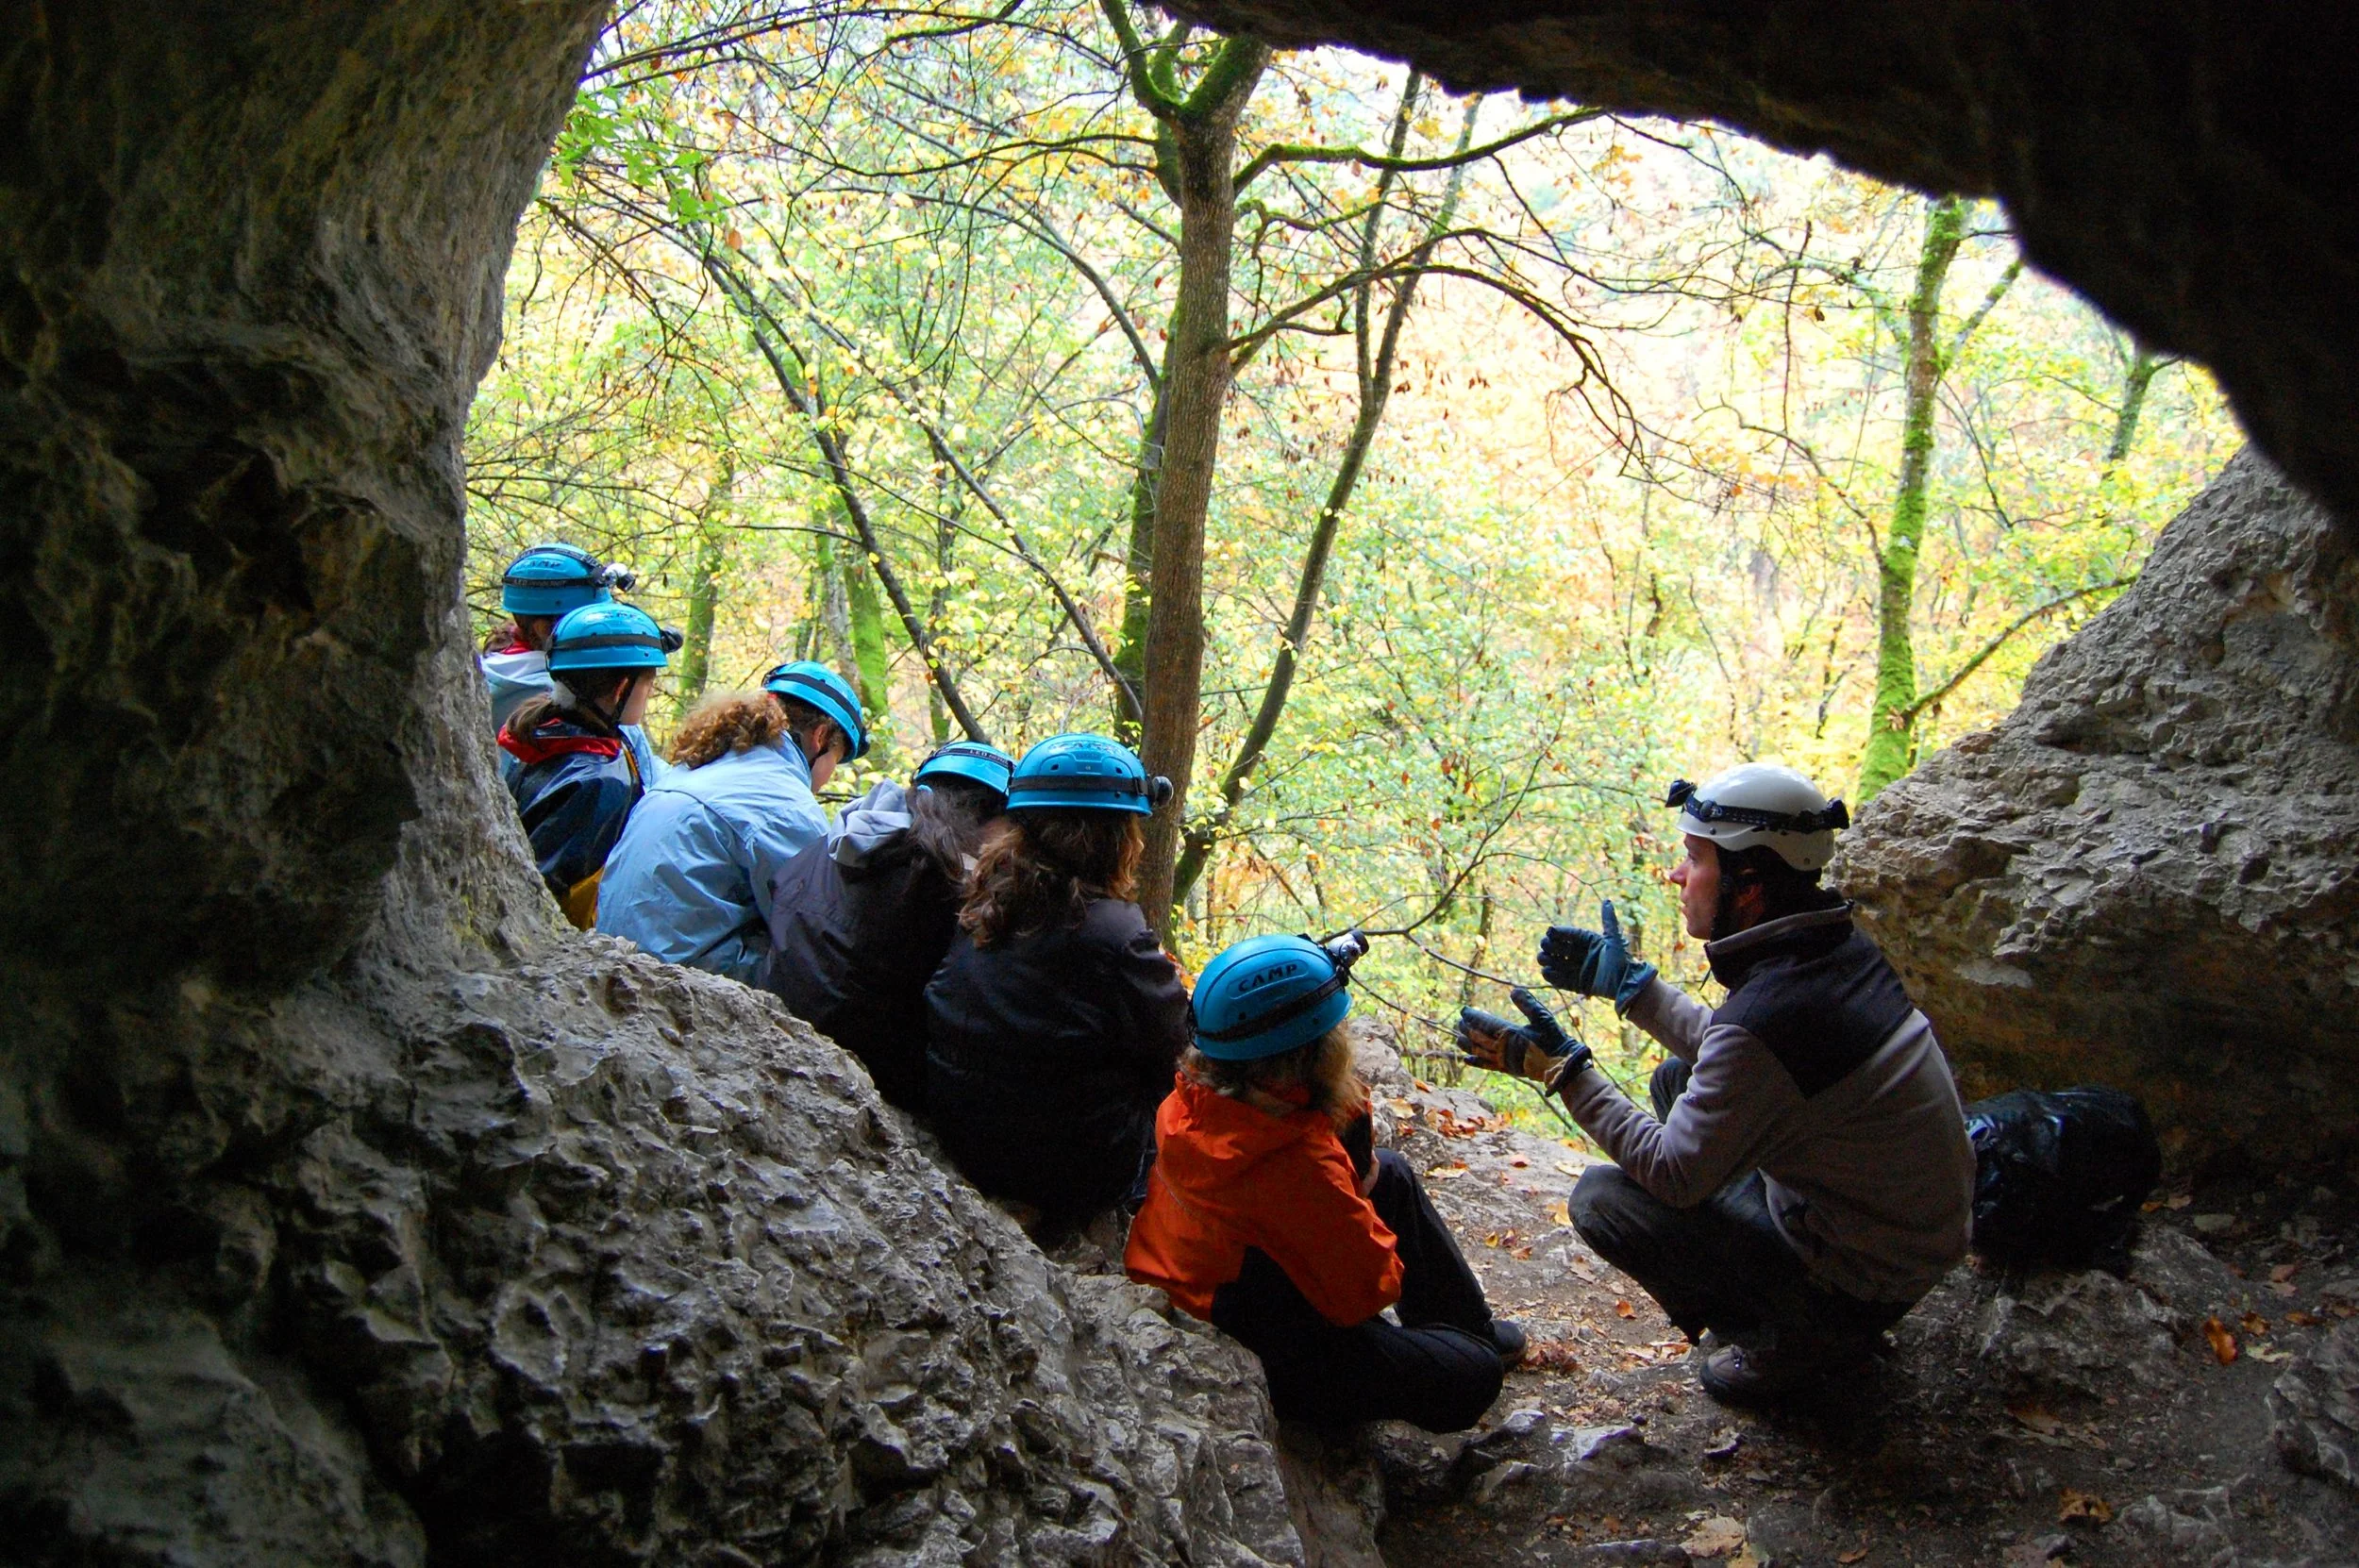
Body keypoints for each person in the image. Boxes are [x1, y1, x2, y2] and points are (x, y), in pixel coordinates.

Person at [1456, 763, 1974, 1404]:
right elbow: (1754, 1066)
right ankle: (1813, 1308)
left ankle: (1804, 1340)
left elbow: (1674, 1170)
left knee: (1603, 1200)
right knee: (1678, 1080)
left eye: (1695, 858)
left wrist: (1562, 1071)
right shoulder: (1831, 950)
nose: (1677, 875)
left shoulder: (1771, 1014)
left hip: (1865, 1279)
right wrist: (1636, 990)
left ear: (1748, 884)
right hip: (1904, 1230)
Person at [1127, 932, 1521, 1433]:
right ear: (1313, 1056)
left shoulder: (1194, 1100)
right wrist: (1355, 1179)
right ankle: (1468, 1342)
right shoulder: (1298, 1167)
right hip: (1263, 1338)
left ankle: (1469, 1327)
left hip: (1210, 1273)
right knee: (1474, 1373)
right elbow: (1366, 1293)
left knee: (1392, 1173)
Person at [924, 733, 1188, 1230]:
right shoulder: (1115, 932)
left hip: (965, 1136)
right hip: (1062, 1169)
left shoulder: (983, 897)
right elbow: (1173, 1043)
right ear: (1118, 838)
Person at [764, 741, 1014, 1109]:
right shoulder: (943, 887)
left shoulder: (837, 843)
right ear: (983, 815)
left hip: (786, 1031)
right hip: (872, 1075)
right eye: (1011, 825)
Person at [596, 661, 867, 983]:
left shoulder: (691, 770)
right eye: (835, 759)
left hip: (614, 961)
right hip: (677, 983)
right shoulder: (784, 802)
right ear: (821, 737)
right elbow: (823, 928)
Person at [495, 602, 676, 928]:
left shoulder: (537, 730)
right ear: (622, 688)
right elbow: (563, 898)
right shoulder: (601, 780)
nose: (649, 694)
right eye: (648, 683)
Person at [481, 542, 637, 730]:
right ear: (543, 629)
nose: (598, 633)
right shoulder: (566, 698)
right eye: (588, 623)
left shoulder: (487, 669)